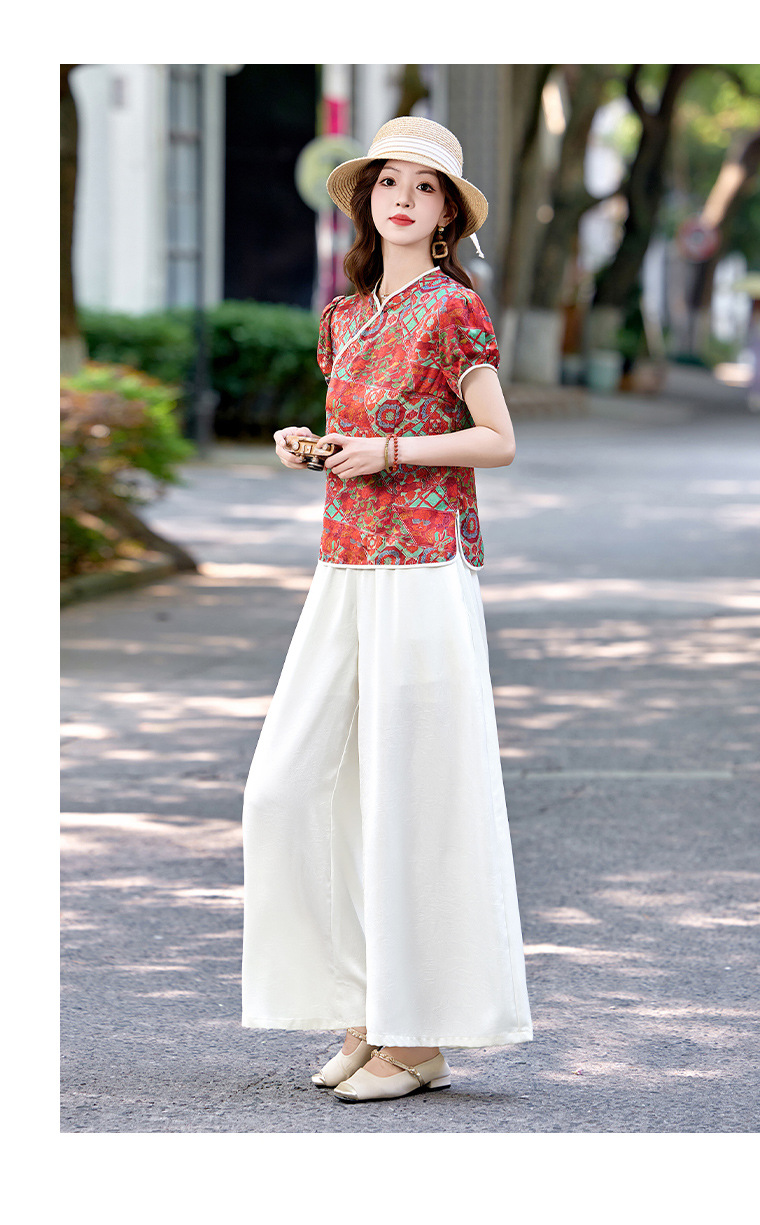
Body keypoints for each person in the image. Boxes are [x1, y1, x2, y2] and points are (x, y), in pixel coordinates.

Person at [241, 116, 533, 1104]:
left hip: (423, 569)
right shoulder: (343, 314)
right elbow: (356, 435)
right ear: (367, 200)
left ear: (447, 214)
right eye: (387, 182)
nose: (402, 199)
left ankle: (415, 1039)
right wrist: (316, 444)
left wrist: (393, 453)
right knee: (289, 786)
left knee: (411, 793)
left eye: (424, 186)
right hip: (345, 562)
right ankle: (366, 1007)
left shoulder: (454, 309)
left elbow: (495, 439)